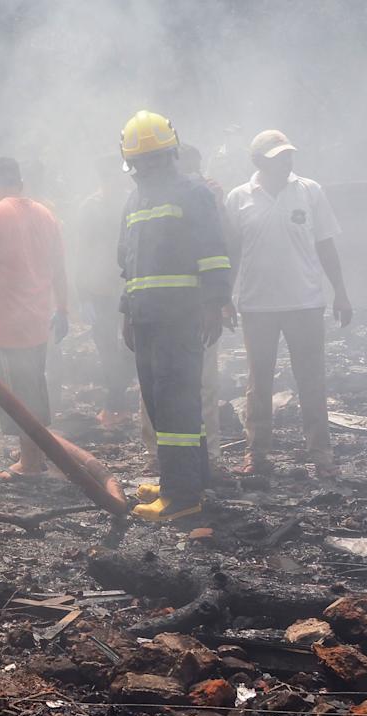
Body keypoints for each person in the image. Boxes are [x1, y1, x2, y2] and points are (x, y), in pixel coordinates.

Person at [117, 110, 231, 522]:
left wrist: (215, 302)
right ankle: (184, 478)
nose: (147, 168)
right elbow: (127, 261)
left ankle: (182, 499)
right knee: (159, 402)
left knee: (176, 402)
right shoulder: (136, 199)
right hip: (146, 317)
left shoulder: (192, 193)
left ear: (171, 155)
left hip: (179, 318)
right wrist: (127, 311)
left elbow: (215, 251)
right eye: (140, 162)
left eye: (155, 159)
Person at [225, 130, 350, 480]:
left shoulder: (309, 191)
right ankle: (257, 452)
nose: (287, 160)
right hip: (256, 306)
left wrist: (340, 291)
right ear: (258, 161)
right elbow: (231, 253)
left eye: (288, 155)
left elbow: (326, 244)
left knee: (311, 379)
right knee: (258, 382)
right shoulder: (238, 198)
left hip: (306, 303)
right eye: (278, 156)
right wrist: (224, 298)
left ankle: (322, 454)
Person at [0, 157, 68, 478]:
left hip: (7, 323)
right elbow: (60, 267)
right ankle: (33, 454)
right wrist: (62, 309)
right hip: (38, 321)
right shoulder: (46, 214)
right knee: (33, 385)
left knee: (17, 394)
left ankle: (30, 463)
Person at [139, 143, 234, 477]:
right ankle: (158, 453)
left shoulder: (204, 199)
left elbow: (220, 252)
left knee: (204, 385)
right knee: (156, 387)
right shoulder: (151, 200)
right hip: (158, 315)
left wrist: (219, 301)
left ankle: (208, 458)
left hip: (193, 313)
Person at [74, 155, 136, 429]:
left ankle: (118, 401)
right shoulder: (90, 207)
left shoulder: (132, 201)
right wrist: (83, 294)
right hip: (99, 289)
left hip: (128, 287)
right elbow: (82, 251)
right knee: (107, 348)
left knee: (130, 347)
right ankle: (116, 404)